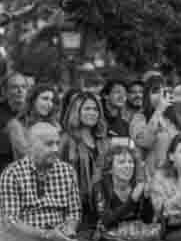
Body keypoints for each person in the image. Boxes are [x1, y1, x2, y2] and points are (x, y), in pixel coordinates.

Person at [60, 92, 109, 227]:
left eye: (95, 109)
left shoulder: (102, 141)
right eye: (87, 108)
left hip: (99, 207)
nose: (92, 113)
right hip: (74, 210)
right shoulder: (67, 140)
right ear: (77, 111)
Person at [129, 76, 180, 178]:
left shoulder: (171, 120)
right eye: (156, 91)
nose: (161, 95)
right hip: (152, 179)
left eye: (163, 91)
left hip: (174, 179)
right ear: (147, 96)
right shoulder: (139, 118)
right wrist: (159, 109)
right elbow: (144, 141)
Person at [7, 82, 60, 163]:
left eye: (52, 100)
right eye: (45, 98)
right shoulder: (17, 125)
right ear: (33, 100)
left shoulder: (55, 124)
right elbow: (26, 154)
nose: (49, 104)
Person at [0, 71, 29, 172]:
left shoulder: (32, 114)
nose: (20, 91)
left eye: (23, 87)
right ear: (4, 91)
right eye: (14, 87)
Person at [100, 79, 132, 145]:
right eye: (117, 92)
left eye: (125, 94)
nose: (122, 96)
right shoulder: (96, 118)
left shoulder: (125, 124)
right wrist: (127, 142)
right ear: (105, 95)